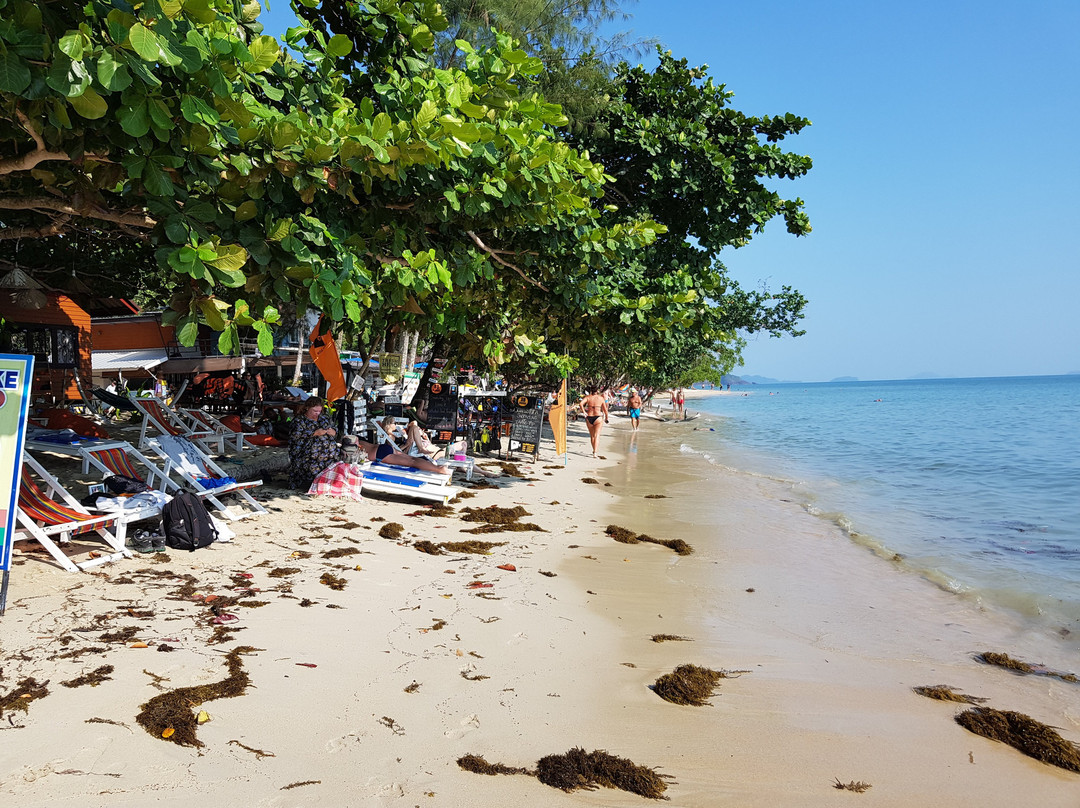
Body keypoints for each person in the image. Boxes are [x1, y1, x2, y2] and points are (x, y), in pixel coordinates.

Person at [288, 396, 340, 489]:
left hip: (327, 452)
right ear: (307, 408)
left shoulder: (324, 418)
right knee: (316, 451)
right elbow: (295, 435)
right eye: (315, 411)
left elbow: (334, 428)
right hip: (305, 451)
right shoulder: (299, 420)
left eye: (319, 411)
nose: (317, 413)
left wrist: (333, 432)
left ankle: (327, 481)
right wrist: (314, 433)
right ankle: (312, 482)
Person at [578, 387, 609, 457]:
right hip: (598, 417)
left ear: (591, 390)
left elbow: (581, 403)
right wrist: (606, 418)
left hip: (589, 417)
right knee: (597, 435)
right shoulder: (601, 398)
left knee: (592, 436)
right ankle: (595, 452)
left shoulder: (588, 397)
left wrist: (584, 412)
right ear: (597, 391)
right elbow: (605, 410)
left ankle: (594, 450)